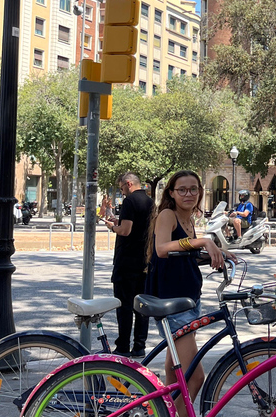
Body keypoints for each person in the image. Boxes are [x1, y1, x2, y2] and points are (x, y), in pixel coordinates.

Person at [146, 170, 229, 414]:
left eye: (194, 189)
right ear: (171, 192)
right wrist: (204, 241)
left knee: (175, 375)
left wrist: (217, 254)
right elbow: (162, 248)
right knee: (194, 378)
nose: (188, 194)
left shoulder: (188, 219)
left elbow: (182, 256)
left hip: (189, 300)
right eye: (182, 189)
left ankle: (166, 410)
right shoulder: (167, 215)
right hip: (172, 303)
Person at [104, 172, 153, 358]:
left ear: (129, 184)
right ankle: (140, 345)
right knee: (142, 306)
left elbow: (125, 230)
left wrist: (112, 226)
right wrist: (120, 222)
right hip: (144, 261)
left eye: (122, 188)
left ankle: (123, 345)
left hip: (126, 262)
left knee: (124, 306)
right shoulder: (150, 202)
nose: (122, 192)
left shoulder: (129, 201)